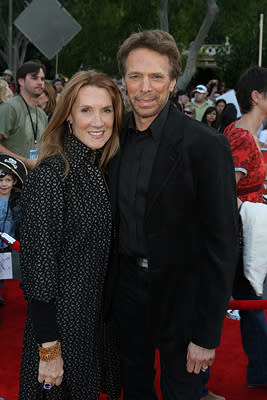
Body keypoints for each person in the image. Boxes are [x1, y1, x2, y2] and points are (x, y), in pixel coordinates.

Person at [107, 29, 238, 400]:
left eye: (156, 76)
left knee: (181, 393)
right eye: (135, 76)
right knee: (133, 388)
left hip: (184, 296)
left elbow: (223, 244)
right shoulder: (113, 139)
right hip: (126, 292)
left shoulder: (206, 145)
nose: (144, 87)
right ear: (124, 80)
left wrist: (207, 333)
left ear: (173, 81)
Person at [18, 70, 124, 400]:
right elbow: (38, 272)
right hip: (60, 331)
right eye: (86, 110)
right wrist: (49, 352)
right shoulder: (51, 178)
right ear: (67, 117)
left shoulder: (99, 171)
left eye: (106, 110)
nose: (98, 121)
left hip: (93, 326)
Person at [223, 65, 267, 389]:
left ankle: (260, 374)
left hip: (248, 235)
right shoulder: (240, 136)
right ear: (256, 96)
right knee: (254, 308)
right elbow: (224, 193)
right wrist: (254, 206)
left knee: (255, 310)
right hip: (242, 238)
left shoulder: (244, 134)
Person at [0, 60, 48, 170]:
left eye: (42, 78)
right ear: (21, 81)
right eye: (34, 78)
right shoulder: (10, 108)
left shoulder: (41, 113)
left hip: (35, 177)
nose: (40, 82)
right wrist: (24, 161)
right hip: (10, 179)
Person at [0, 155, 26, 308]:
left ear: (14, 181)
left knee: (3, 271)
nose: (4, 184)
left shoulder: (18, 200)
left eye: (8, 180)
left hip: (8, 242)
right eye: (1, 180)